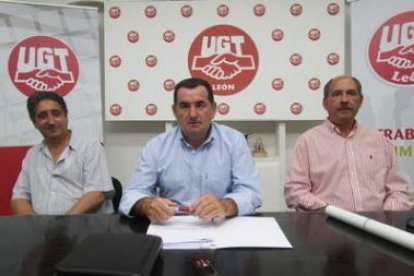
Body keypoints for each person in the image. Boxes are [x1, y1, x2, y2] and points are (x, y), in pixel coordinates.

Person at [119, 77, 262, 222]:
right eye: (185, 106)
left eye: (200, 105)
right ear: (175, 111)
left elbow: (250, 193)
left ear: (213, 109)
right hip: (172, 226)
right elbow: (131, 195)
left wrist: (225, 206)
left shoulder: (235, 141)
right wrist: (146, 205)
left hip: (220, 224)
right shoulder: (156, 146)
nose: (193, 114)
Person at [284, 75, 413, 212]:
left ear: (360, 101)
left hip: (377, 227)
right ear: (325, 103)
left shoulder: (380, 141)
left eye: (351, 93)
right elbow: (295, 191)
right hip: (325, 225)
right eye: (337, 94)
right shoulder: (308, 141)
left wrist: (386, 218)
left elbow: (397, 190)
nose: (344, 100)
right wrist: (330, 213)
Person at [11, 92, 114, 215]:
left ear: (66, 116)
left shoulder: (90, 148)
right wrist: (36, 226)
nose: (51, 121)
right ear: (35, 123)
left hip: (86, 228)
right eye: (43, 116)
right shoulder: (32, 155)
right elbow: (19, 197)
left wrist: (61, 225)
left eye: (56, 114)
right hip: (42, 230)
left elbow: (97, 194)